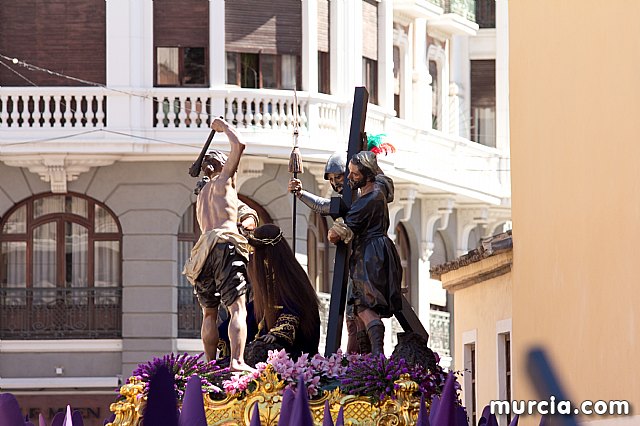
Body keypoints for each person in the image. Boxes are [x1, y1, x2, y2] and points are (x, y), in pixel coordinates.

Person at [182, 117, 255, 372]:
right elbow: (240, 145)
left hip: (202, 252)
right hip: (225, 244)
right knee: (237, 308)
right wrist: (223, 127)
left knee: (209, 313)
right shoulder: (225, 180)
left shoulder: (201, 195)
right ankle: (237, 360)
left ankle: (210, 364)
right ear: (222, 165)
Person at [327, 151, 403, 356]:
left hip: (368, 255)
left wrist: (333, 229)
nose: (349, 178)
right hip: (382, 250)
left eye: (355, 174)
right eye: (349, 172)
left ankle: (377, 353)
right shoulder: (381, 186)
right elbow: (383, 176)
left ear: (367, 175)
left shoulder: (366, 200)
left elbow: (337, 234)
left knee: (364, 305)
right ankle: (365, 357)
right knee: (358, 306)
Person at [247, 224, 321, 359]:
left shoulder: (289, 276)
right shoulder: (267, 272)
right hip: (270, 335)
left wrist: (277, 334)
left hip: (296, 346)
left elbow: (292, 307)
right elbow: (255, 311)